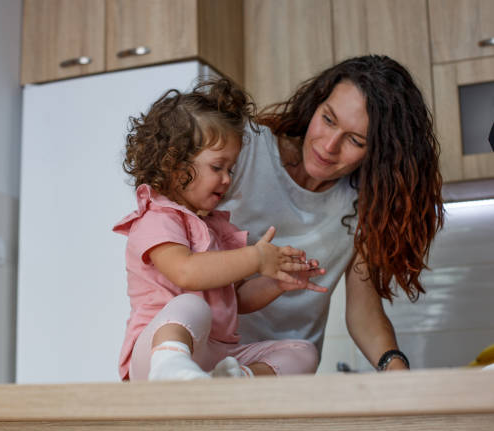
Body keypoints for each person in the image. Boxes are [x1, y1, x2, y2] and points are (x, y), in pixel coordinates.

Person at [220, 55, 445, 372]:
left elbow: (363, 312)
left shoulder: (364, 206)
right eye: (328, 119)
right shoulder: (244, 149)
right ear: (316, 103)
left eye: (355, 140)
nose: (328, 147)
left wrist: (395, 368)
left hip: (285, 372)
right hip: (207, 362)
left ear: (379, 152)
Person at [113, 79, 327, 381]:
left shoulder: (216, 227)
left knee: (303, 352)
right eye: (218, 167)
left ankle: (236, 378)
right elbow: (186, 272)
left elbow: (235, 299)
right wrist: (256, 258)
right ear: (174, 165)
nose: (227, 179)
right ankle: (170, 369)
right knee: (191, 305)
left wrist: (276, 282)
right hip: (154, 351)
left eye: (231, 169)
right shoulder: (157, 217)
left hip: (214, 355)